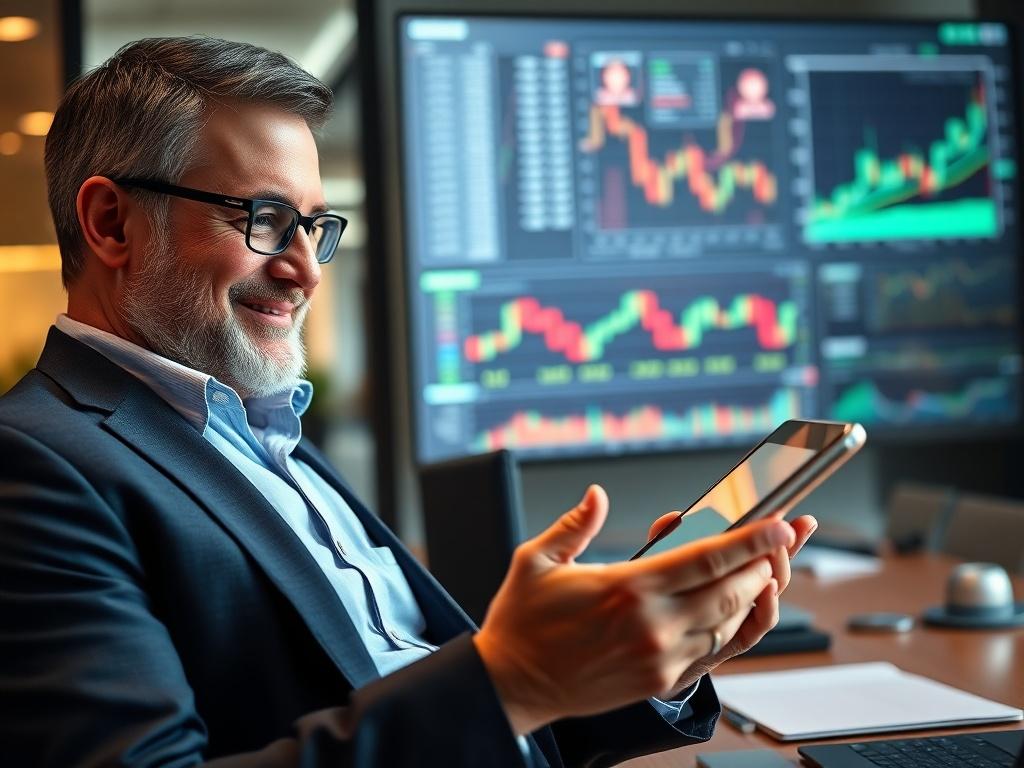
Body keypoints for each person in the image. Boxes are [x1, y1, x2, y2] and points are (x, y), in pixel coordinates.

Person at [0, 37, 817, 767]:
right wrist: (514, 678)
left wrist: (640, 666)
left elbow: (467, 711)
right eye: (264, 218)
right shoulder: (34, 464)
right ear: (111, 223)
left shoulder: (262, 431)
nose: (306, 268)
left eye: (314, 227)